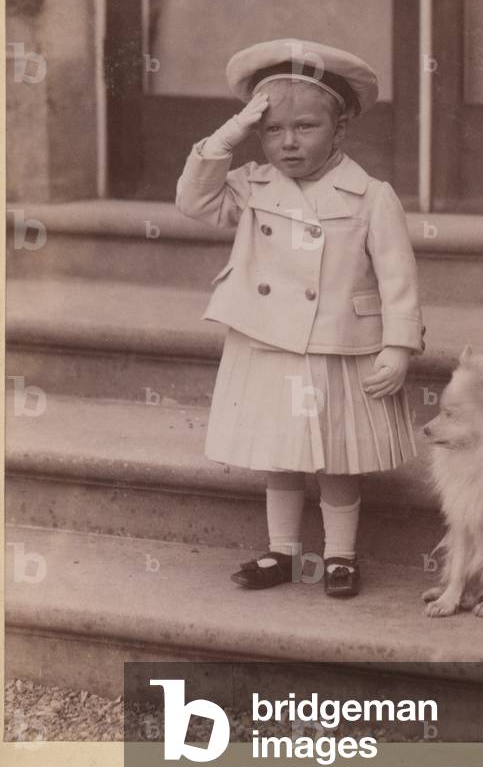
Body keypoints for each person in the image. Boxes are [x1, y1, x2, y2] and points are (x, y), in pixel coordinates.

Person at [176, 39, 423, 598]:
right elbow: (193, 201)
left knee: (336, 453)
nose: (287, 142)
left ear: (340, 132)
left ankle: (339, 555)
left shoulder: (370, 195)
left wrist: (398, 346)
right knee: (279, 450)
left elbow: (398, 277)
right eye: (273, 130)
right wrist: (231, 133)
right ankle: (282, 552)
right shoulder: (252, 183)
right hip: (269, 338)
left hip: (339, 340)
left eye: (306, 127)